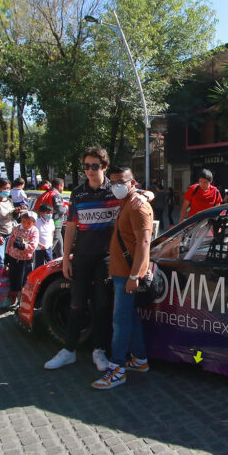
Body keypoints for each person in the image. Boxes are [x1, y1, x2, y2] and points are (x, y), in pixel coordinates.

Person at [44, 149, 152, 372]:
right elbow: (71, 228)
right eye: (86, 166)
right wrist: (65, 258)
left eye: (94, 166)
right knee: (76, 304)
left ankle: (99, 350)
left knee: (102, 306)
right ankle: (69, 350)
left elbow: (144, 194)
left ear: (104, 167)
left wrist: (147, 195)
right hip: (82, 256)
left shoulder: (115, 190)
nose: (90, 171)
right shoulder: (78, 194)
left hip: (107, 258)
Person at [93, 166, 153, 389]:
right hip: (122, 274)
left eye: (121, 181)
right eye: (114, 181)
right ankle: (139, 359)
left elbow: (144, 243)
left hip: (128, 275)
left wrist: (135, 275)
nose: (117, 186)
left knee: (120, 322)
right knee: (130, 319)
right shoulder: (128, 202)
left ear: (132, 182)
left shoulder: (138, 207)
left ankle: (117, 369)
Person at [4, 210, 39, 308]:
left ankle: (21, 301)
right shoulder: (16, 228)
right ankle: (11, 299)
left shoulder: (34, 231)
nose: (25, 224)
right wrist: (6, 256)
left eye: (29, 223)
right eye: (23, 221)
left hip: (24, 260)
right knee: (13, 280)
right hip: (13, 257)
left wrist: (21, 245)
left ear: (33, 223)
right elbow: (10, 241)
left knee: (22, 282)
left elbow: (32, 246)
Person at [34, 203, 55, 267]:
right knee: (39, 266)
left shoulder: (51, 221)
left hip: (48, 247)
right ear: (41, 213)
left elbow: (52, 232)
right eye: (47, 213)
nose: (50, 215)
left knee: (50, 265)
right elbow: (34, 237)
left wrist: (50, 244)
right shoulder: (37, 222)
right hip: (39, 249)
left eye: (51, 213)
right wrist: (40, 245)